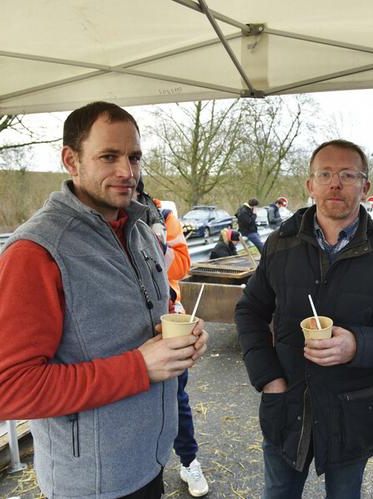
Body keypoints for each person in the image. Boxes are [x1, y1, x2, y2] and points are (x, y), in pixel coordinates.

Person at [0, 101, 208, 499]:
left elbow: (147, 320)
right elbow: (5, 392)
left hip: (149, 460)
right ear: (71, 160)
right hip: (90, 484)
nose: (128, 172)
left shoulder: (139, 230)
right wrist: (139, 367)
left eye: (134, 157)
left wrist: (182, 334)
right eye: (109, 156)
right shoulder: (35, 253)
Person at [235, 139, 373, 499]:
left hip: (355, 412)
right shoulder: (281, 245)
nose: (335, 184)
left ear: (366, 186)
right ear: (309, 185)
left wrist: (357, 346)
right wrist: (267, 378)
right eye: (325, 174)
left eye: (347, 175)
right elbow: (249, 311)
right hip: (287, 405)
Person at [136, 181, 209, 497]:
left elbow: (182, 263)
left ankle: (189, 461)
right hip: (124, 327)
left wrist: (150, 244)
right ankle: (142, 468)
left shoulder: (163, 212)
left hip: (167, 320)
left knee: (176, 397)